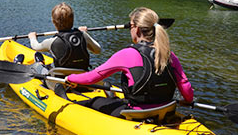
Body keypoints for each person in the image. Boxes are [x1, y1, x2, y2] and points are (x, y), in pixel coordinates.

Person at [64, 7, 193, 118]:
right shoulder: (169, 54)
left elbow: (91, 78)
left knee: (95, 101)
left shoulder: (127, 54)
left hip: (138, 114)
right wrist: (187, 101)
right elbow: (185, 85)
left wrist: (70, 78)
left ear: (136, 30)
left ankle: (66, 103)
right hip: (166, 110)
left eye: (130, 26)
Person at [27, 2, 101, 70]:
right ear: (72, 20)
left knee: (37, 67)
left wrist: (32, 37)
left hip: (60, 77)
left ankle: (40, 63)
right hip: (82, 74)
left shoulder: (51, 42)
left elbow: (36, 46)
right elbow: (98, 50)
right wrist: (84, 33)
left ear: (53, 22)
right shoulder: (83, 36)